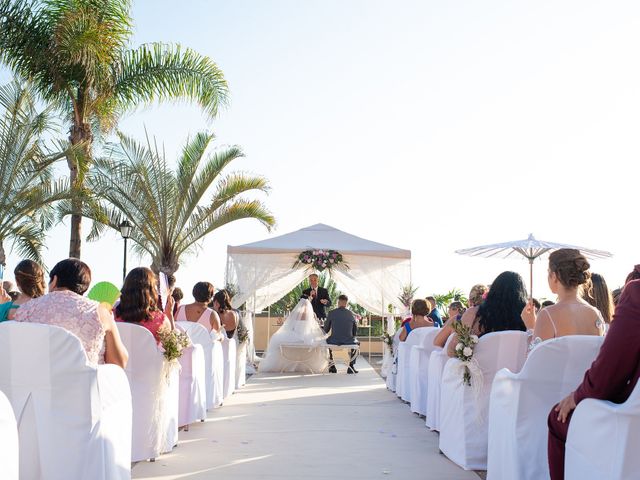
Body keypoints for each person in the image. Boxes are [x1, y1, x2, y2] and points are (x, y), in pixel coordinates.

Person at [547, 280, 640, 480]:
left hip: (630, 425)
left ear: (554, 277)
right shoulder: (595, 314)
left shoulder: (637, 292)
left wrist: (578, 396)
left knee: (557, 418)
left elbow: (607, 374)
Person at [16, 258, 128, 368]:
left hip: (35, 383)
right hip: (83, 385)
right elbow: (119, 362)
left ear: (54, 280)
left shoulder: (26, 309)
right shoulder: (99, 312)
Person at [521, 249, 605, 346]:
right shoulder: (595, 313)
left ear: (554, 276)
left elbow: (534, 358)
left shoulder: (547, 314)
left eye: (548, 272)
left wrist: (531, 328)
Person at [447, 271, 527, 357]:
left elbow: (452, 350)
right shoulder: (527, 320)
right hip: (517, 370)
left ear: (493, 290)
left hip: (479, 369)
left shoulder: (474, 314)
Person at [258, 296, 328, 373]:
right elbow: (314, 328)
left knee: (276, 340)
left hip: (295, 336)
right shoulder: (311, 315)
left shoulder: (296, 313)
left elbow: (290, 326)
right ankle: (303, 365)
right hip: (306, 337)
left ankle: (290, 364)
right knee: (319, 343)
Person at [115, 267, 173, 342]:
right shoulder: (160, 321)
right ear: (151, 291)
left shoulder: (111, 317)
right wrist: (169, 314)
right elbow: (172, 349)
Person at [324, 294, 359, 374]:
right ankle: (351, 366)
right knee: (357, 342)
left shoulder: (331, 313)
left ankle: (332, 365)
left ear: (338, 302)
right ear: (346, 303)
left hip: (334, 340)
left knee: (326, 340)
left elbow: (326, 330)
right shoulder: (351, 314)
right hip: (348, 341)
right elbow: (354, 331)